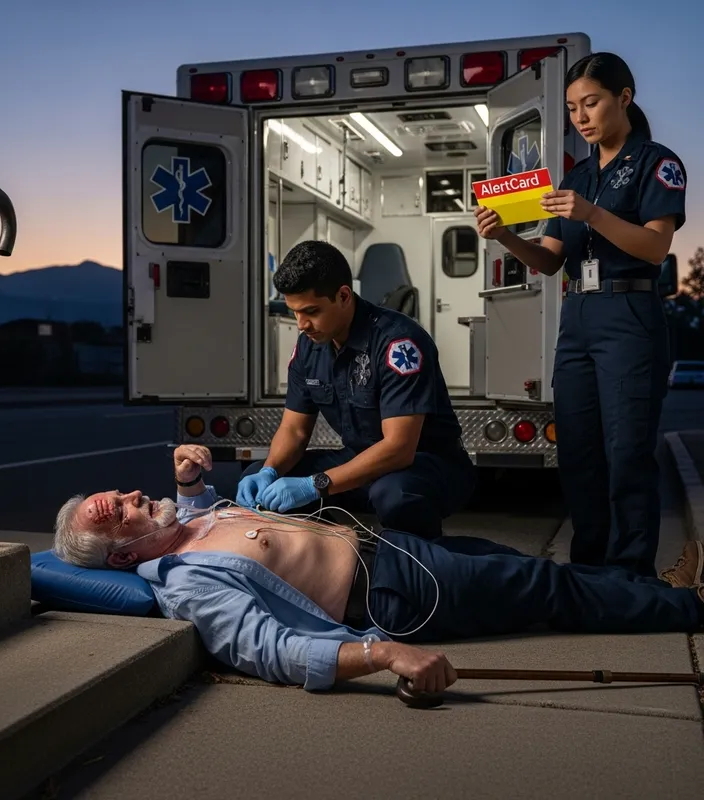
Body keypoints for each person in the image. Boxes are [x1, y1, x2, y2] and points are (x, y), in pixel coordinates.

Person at [52, 445, 704, 695]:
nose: (139, 498)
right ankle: (686, 607)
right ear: (125, 556)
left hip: (389, 547)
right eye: (123, 512)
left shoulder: (182, 527)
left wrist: (189, 484)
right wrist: (384, 654)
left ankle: (655, 589)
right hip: (390, 592)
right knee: (547, 587)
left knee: (525, 567)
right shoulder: (190, 583)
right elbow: (267, 648)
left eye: (127, 495)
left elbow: (191, 520)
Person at [474, 52, 687, 579]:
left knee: (627, 455)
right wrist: (502, 234)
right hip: (579, 318)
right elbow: (549, 261)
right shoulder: (580, 175)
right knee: (578, 454)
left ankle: (631, 575)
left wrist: (592, 214)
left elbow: (656, 248)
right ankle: (590, 571)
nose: (581, 117)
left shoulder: (657, 162)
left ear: (624, 99)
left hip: (629, 314)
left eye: (590, 103)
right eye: (572, 109)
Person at [236, 239, 477, 541]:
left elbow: (399, 449)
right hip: (360, 460)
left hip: (426, 464)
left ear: (343, 296)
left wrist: (315, 484)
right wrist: (269, 471)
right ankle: (325, 555)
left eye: (311, 311)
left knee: (394, 496)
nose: (301, 324)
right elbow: (295, 431)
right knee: (259, 479)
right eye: (294, 312)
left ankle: (421, 568)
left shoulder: (398, 343)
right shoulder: (310, 346)